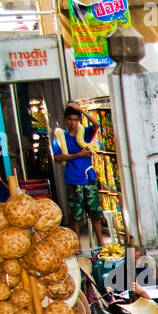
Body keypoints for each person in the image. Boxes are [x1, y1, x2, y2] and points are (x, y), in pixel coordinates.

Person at [51, 103, 106, 246]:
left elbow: (96, 124)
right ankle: (77, 245)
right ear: (65, 119)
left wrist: (81, 110)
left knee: (95, 213)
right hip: (73, 178)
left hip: (88, 178)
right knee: (76, 215)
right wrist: (78, 155)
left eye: (76, 119)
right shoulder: (59, 136)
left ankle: (101, 242)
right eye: (70, 119)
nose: (73, 123)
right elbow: (57, 157)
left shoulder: (85, 133)